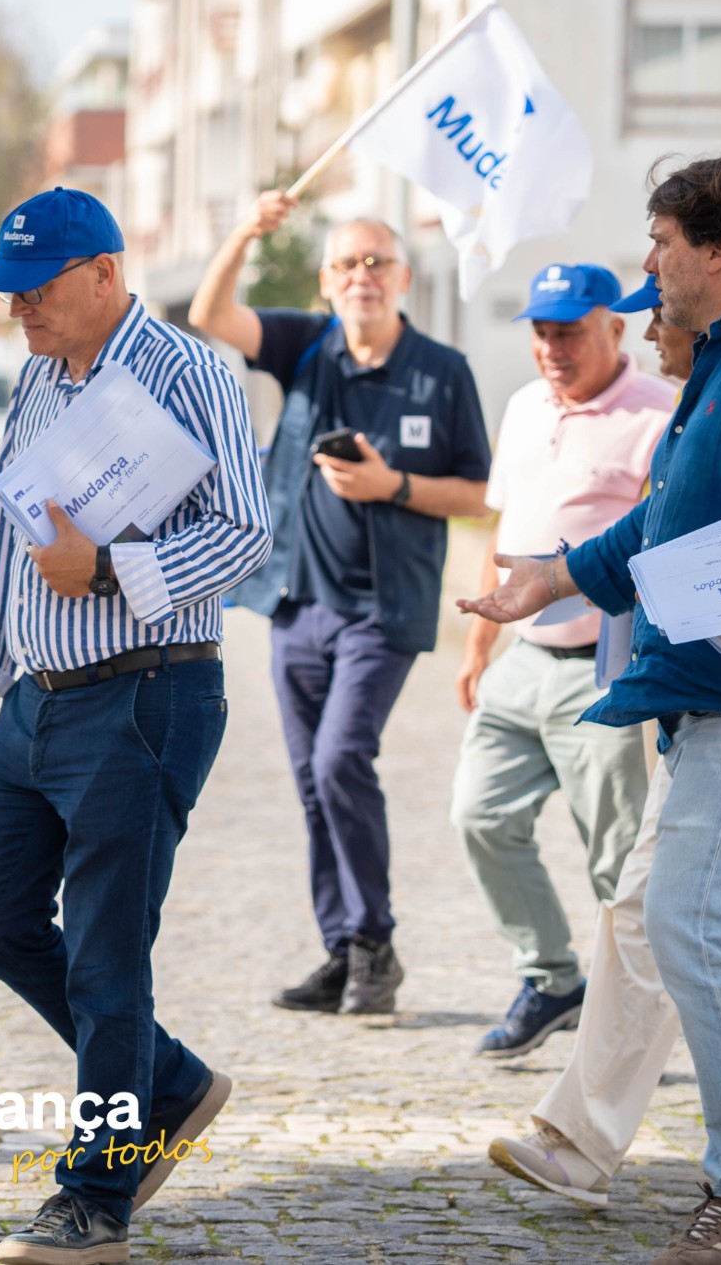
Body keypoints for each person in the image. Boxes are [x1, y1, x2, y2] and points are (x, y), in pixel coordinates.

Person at [460, 155, 721, 1265]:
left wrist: (705, 579)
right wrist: (545, 579)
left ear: (718, 248)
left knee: (684, 925)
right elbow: (649, 537)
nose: (645, 265)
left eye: (657, 242)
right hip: (719, 703)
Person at [0, 186, 269, 1265]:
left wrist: (116, 571)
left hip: (146, 690)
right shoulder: (36, 378)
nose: (16, 310)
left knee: (106, 958)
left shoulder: (192, 372)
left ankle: (95, 1202)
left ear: (103, 275)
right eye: (8, 293)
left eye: (33, 291)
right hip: (34, 702)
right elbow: (6, 538)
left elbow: (245, 530)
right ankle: (164, 1080)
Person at [190, 189, 491, 1016]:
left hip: (381, 612)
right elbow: (210, 312)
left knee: (339, 759)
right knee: (311, 779)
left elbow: (476, 493)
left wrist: (389, 485)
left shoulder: (442, 372)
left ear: (401, 279)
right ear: (326, 283)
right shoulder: (307, 347)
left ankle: (375, 944)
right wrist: (246, 228)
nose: (362, 276)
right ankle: (341, 948)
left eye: (376, 263)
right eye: (346, 264)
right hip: (297, 604)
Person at [451, 264, 674, 1058]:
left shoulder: (659, 412)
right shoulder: (522, 405)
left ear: (615, 329)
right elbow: (504, 532)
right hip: (524, 658)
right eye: (542, 332)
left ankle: (626, 1033)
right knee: (479, 815)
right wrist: (480, 648)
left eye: (569, 331)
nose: (552, 347)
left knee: (617, 861)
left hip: (605, 671)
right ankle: (550, 979)